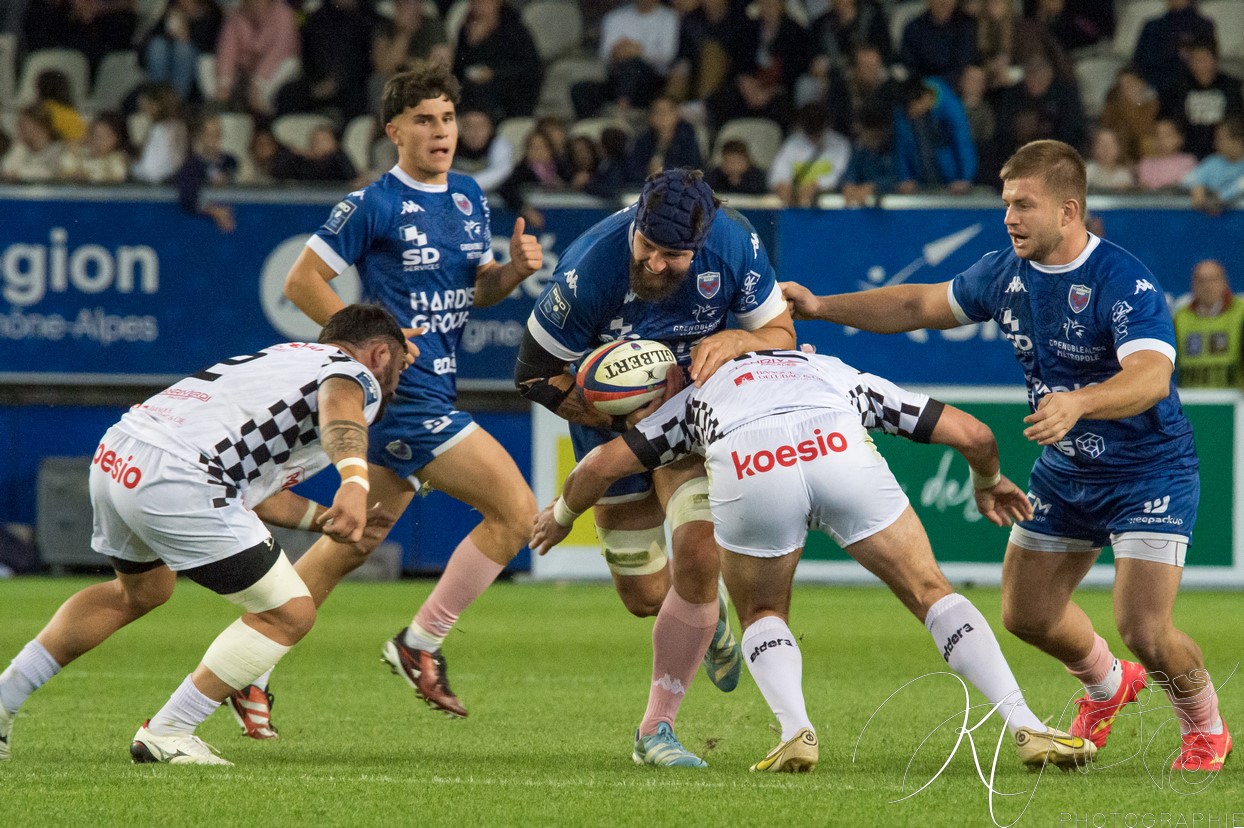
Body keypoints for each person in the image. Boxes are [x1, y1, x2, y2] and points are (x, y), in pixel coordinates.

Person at [782, 139, 1231, 773]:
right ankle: (1109, 687)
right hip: (1069, 469)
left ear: (1069, 210)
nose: (1010, 218)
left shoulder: (1122, 279)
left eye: (1024, 204)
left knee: (1145, 629)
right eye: (1005, 205)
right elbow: (918, 304)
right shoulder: (1004, 273)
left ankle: (1207, 728)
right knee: (1026, 614)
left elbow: (1152, 377)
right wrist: (822, 307)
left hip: (1148, 470)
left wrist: (1078, 403)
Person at [532, 348, 1097, 772]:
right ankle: (1024, 723)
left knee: (760, 610)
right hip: (835, 447)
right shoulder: (831, 368)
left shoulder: (690, 402)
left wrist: (559, 517)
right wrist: (988, 482)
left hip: (752, 462)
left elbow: (599, 468)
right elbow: (973, 433)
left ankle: (795, 730)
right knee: (930, 590)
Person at [260, 60, 542, 733]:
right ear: (395, 131)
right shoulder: (373, 203)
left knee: (353, 538)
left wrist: (512, 273)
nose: (440, 131)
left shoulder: (470, 196)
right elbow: (303, 282)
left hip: (438, 382)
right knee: (515, 512)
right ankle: (421, 643)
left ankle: (247, 668)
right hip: (404, 398)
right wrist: (373, 339)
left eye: (447, 118)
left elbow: (475, 290)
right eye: (424, 120)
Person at [0, 304, 408, 765]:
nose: (398, 379)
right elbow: (341, 402)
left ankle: (1, 701)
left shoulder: (284, 358)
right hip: (179, 476)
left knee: (138, 592)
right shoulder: (352, 373)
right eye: (399, 364)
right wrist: (354, 483)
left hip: (120, 452)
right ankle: (170, 730)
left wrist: (322, 518)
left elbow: (255, 491)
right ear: (377, 354)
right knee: (291, 613)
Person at [515, 168, 796, 767]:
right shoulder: (588, 268)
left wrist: (741, 343)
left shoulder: (736, 242)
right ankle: (707, 615)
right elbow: (534, 376)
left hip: (693, 417)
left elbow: (782, 332)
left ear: (700, 242)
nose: (659, 265)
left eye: (675, 256)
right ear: (635, 225)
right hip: (611, 425)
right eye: (649, 249)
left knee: (696, 552)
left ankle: (655, 733)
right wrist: (618, 414)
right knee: (644, 595)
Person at [1174, 260, 1244, 389]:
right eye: (1201, 280)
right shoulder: (1180, 317)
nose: (1207, 286)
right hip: (1192, 400)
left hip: (1233, 400)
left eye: (1213, 280)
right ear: (1192, 285)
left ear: (1225, 283)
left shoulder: (1240, 312)